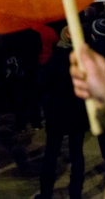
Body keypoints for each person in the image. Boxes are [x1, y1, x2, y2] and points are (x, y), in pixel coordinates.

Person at [36, 27, 88, 199]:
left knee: (52, 153)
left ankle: (46, 193)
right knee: (76, 153)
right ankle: (76, 192)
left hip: (58, 112)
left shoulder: (57, 59)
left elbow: (42, 84)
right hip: (79, 111)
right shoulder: (85, 59)